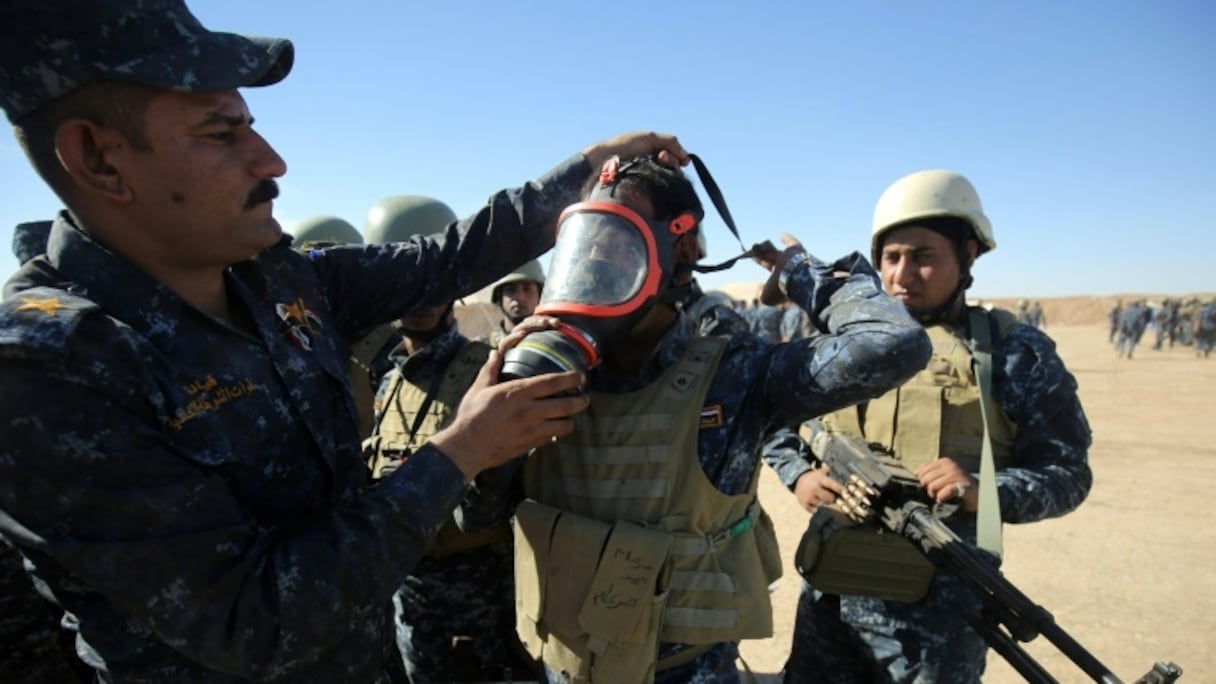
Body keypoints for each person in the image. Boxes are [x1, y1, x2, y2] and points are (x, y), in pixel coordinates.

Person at [0, 2, 692, 679]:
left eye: (252, 127)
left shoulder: (276, 279)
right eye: (220, 134)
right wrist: (460, 452)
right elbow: (253, 621)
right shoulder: (46, 367)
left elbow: (444, 258)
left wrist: (588, 168)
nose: (271, 161)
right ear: (98, 159)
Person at [505, 155, 931, 683]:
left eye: (619, 236)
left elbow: (895, 343)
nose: (596, 254)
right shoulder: (543, 371)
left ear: (680, 249)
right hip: (562, 667)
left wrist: (801, 272)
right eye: (589, 234)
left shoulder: (732, 373)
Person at [780, 169, 1093, 684]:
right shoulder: (844, 341)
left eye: (924, 257)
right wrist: (799, 475)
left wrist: (983, 490)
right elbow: (781, 424)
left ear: (967, 255)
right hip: (830, 599)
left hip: (937, 623)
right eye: (891, 258)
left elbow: (1069, 475)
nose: (903, 275)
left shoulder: (1013, 353)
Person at [363, 290, 531, 681]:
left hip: (479, 588)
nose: (420, 302)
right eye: (409, 290)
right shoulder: (389, 381)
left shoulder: (485, 371)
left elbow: (486, 504)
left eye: (434, 291)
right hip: (410, 586)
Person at [483, 259, 546, 345]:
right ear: (499, 297)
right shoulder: (482, 349)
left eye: (527, 289)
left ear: (540, 296)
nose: (520, 297)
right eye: (511, 290)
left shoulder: (553, 343)